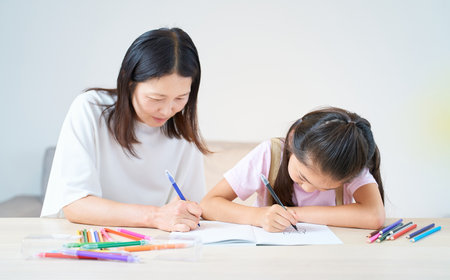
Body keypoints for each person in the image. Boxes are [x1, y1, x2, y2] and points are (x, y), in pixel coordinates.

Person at [41, 28, 209, 232]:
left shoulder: (183, 133)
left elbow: (191, 208)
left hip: (151, 246)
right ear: (129, 82)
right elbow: (75, 205)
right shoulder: (90, 109)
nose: (167, 110)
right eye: (156, 99)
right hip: (84, 240)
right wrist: (155, 216)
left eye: (180, 98)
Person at [200, 107, 385, 232]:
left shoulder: (348, 164)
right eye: (302, 177)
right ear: (291, 141)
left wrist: (293, 214)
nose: (308, 189)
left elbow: (374, 216)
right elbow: (208, 204)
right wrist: (258, 216)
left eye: (326, 188)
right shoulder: (269, 153)